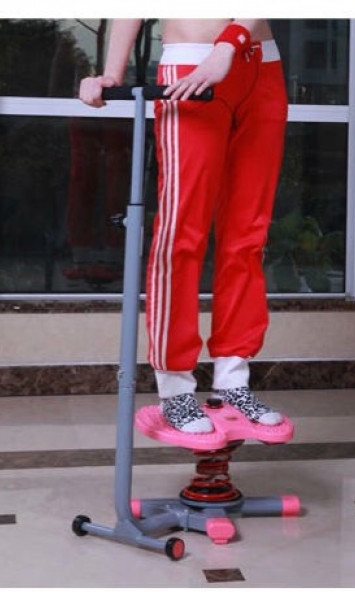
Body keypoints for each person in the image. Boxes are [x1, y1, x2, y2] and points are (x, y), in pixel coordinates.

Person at [79, 19, 288, 433]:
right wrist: (111, 72)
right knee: (180, 235)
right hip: (190, 67)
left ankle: (232, 382)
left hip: (260, 66)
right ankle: (175, 388)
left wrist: (228, 47)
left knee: (247, 237)